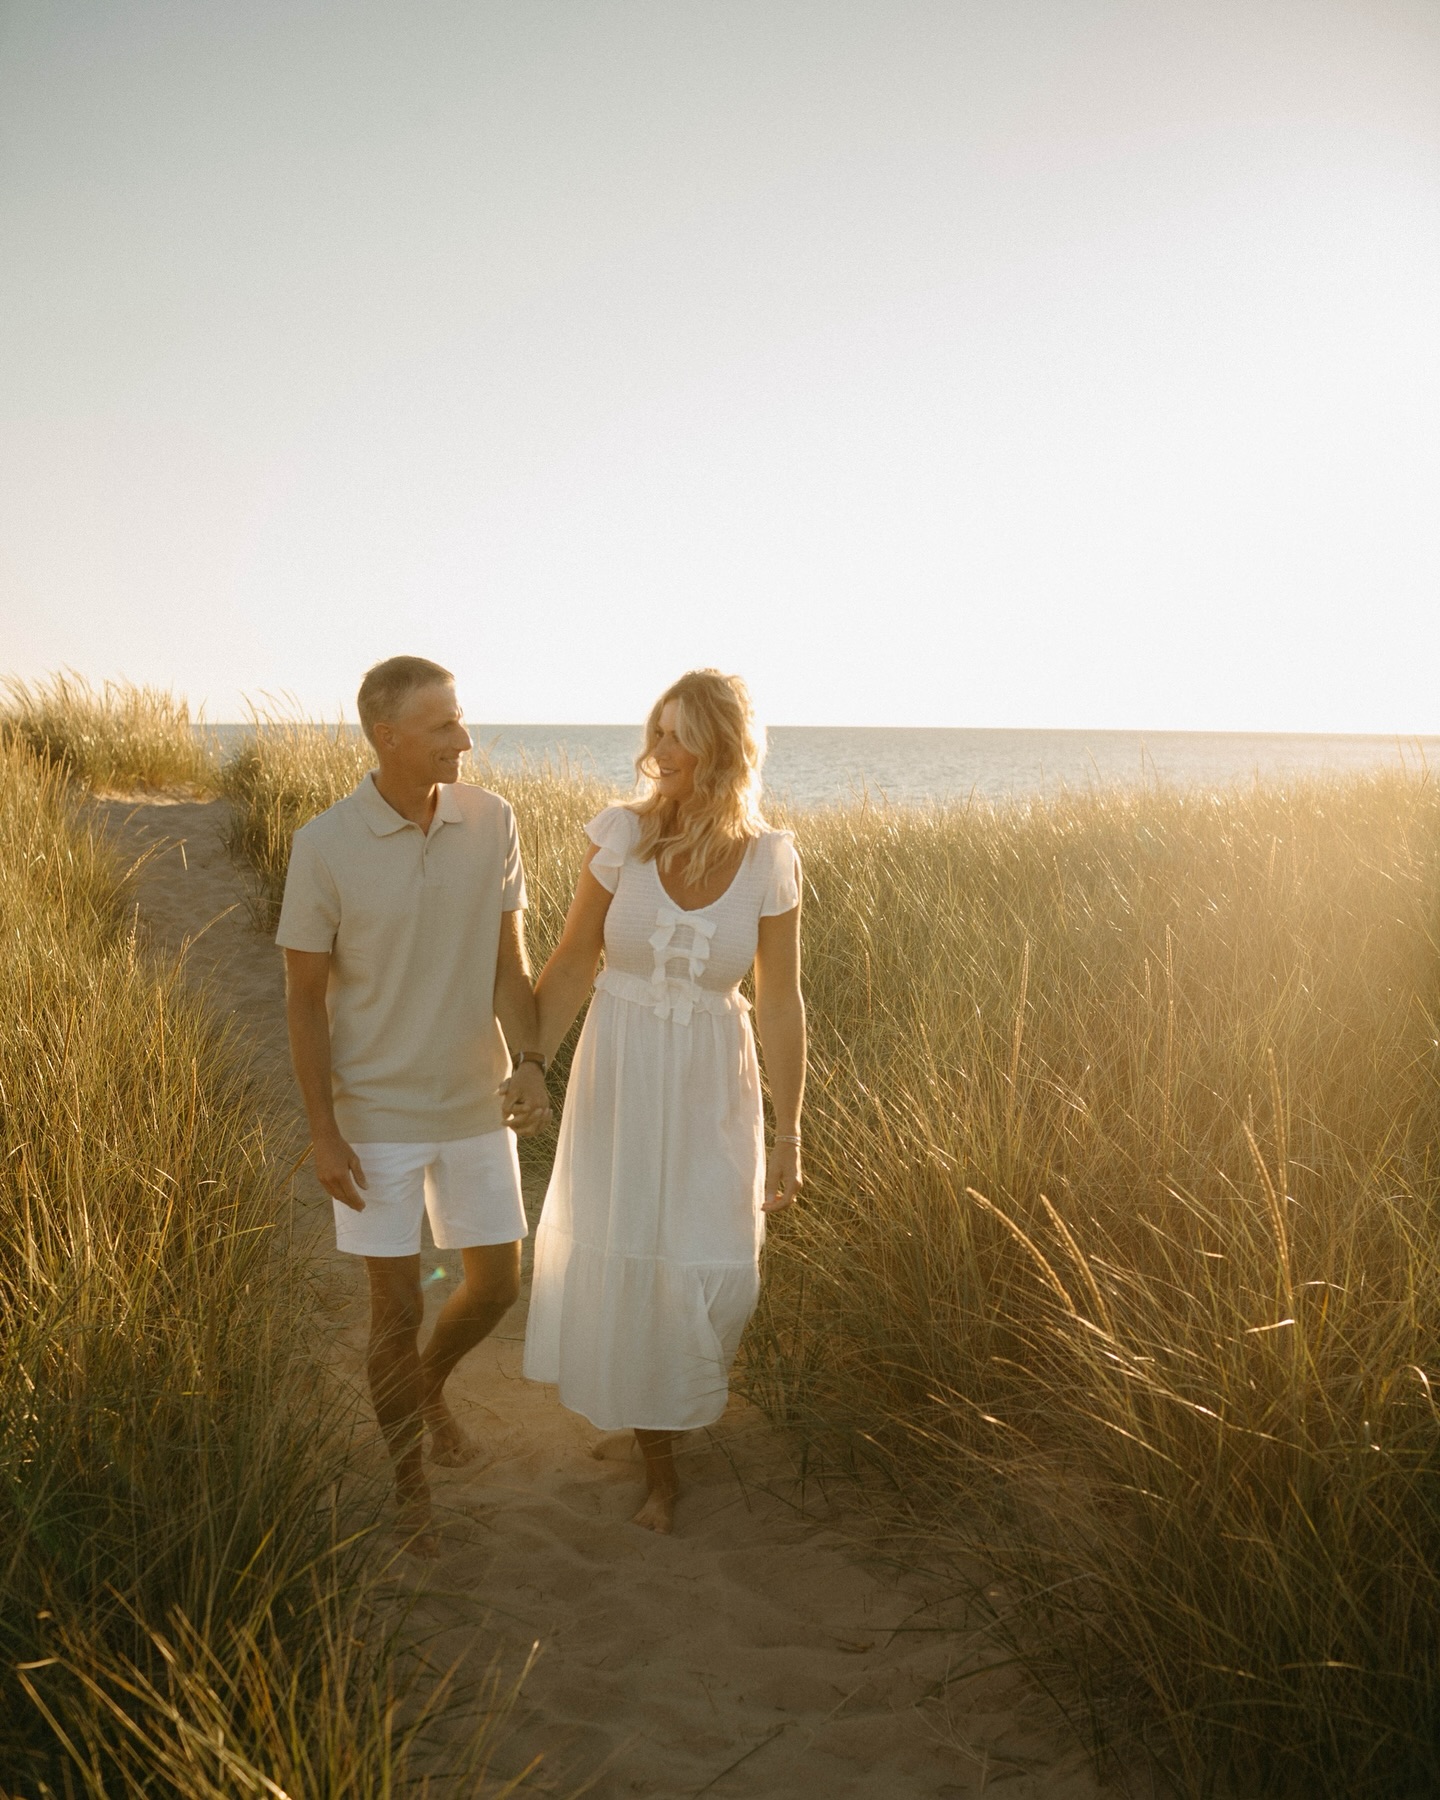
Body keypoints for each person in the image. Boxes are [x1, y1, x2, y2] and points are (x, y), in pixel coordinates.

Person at [277, 655, 551, 1551]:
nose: (464, 739)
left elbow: (509, 965)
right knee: (395, 1310)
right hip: (375, 1118)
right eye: (443, 726)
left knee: (497, 1286)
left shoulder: (493, 820)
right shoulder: (325, 844)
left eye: (460, 720)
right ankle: (409, 1486)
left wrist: (532, 1061)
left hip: (476, 1101)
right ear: (385, 736)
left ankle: (428, 1387)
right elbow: (303, 1000)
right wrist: (324, 1132)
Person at [522, 668, 805, 1533]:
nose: (660, 750)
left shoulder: (770, 859)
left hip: (715, 1081)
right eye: (657, 731)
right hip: (621, 1069)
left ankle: (658, 1416)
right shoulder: (622, 835)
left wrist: (789, 1134)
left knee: (715, 1261)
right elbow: (573, 959)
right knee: (633, 1244)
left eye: (681, 735)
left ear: (724, 748)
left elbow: (783, 1002)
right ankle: (660, 1468)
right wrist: (529, 1062)